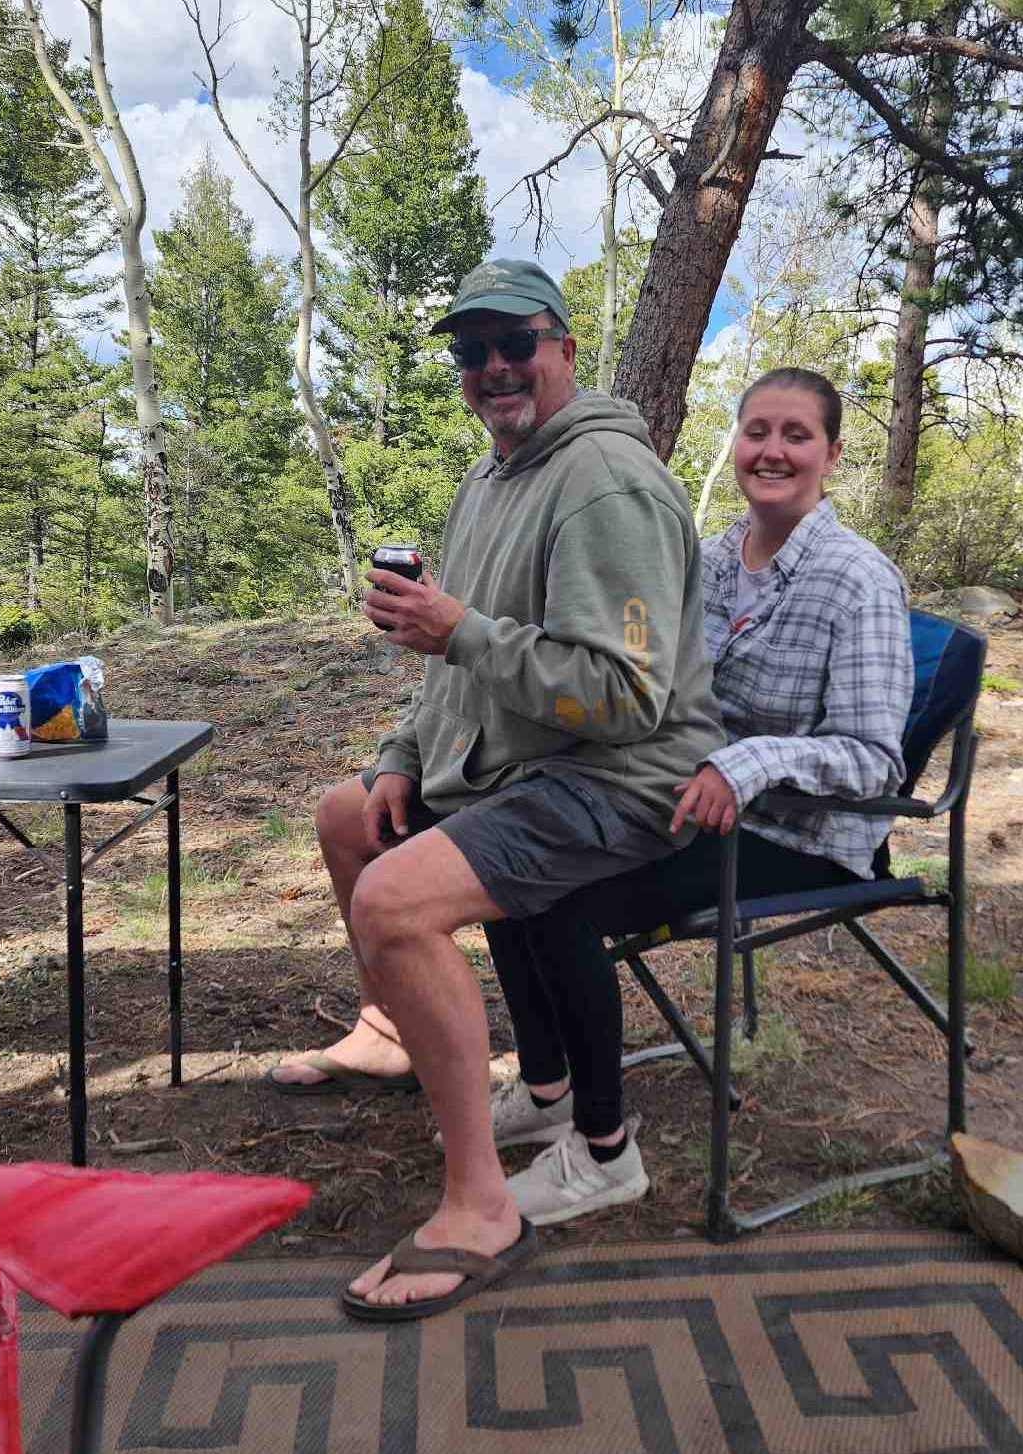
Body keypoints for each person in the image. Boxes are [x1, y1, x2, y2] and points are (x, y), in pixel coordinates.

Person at [271, 258, 724, 1319]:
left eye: (514, 342)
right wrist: (395, 752)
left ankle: (480, 1205)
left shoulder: (604, 480)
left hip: (617, 777)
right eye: (470, 352)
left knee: (395, 900)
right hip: (523, 761)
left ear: (563, 346)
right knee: (347, 817)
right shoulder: (489, 476)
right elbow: (453, 663)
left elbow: (624, 696)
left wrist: (459, 629)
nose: (492, 367)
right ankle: (393, 1029)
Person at [481, 365, 916, 1227]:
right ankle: (549, 1088)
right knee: (505, 843)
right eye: (758, 431)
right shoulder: (710, 555)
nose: (773, 451)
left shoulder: (857, 581)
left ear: (830, 453)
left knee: (555, 894)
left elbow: (875, 762)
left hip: (798, 832)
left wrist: (747, 765)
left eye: (797, 435)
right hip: (684, 794)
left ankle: (603, 1154)